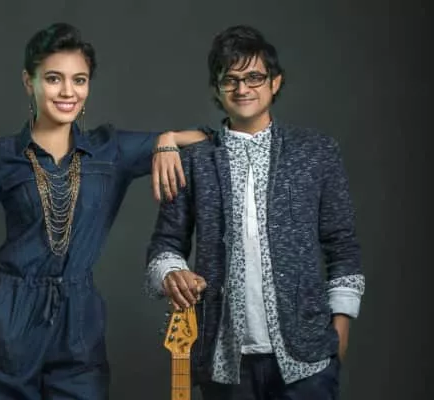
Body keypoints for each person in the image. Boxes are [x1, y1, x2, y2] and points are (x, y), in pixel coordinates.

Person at [0, 22, 205, 400]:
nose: (68, 92)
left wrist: (167, 139)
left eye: (79, 80)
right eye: (53, 79)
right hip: (12, 312)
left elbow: (209, 139)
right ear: (28, 81)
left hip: (80, 319)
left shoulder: (110, 150)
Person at [145, 24, 365, 399]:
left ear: (275, 82)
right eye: (230, 80)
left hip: (308, 358)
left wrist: (340, 328)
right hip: (223, 359)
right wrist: (171, 273)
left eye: (254, 78)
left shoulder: (316, 152)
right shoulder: (194, 160)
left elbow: (342, 245)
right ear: (216, 89)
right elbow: (165, 245)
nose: (242, 88)